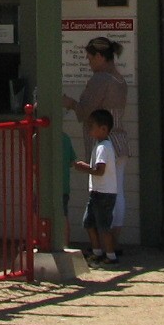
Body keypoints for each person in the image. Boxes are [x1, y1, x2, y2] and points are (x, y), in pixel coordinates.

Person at [64, 36, 129, 234]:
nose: (89, 62)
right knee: (117, 193)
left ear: (100, 56)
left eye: (91, 58)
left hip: (103, 144)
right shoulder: (119, 78)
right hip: (119, 142)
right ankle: (113, 243)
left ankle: (105, 244)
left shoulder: (101, 79)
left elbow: (85, 112)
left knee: (101, 196)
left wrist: (70, 103)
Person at [74, 108, 121, 266]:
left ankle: (110, 255)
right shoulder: (102, 146)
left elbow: (99, 171)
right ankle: (97, 251)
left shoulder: (103, 147)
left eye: (92, 126)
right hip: (98, 192)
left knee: (103, 226)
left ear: (103, 128)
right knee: (89, 222)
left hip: (104, 193)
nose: (89, 129)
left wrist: (83, 168)